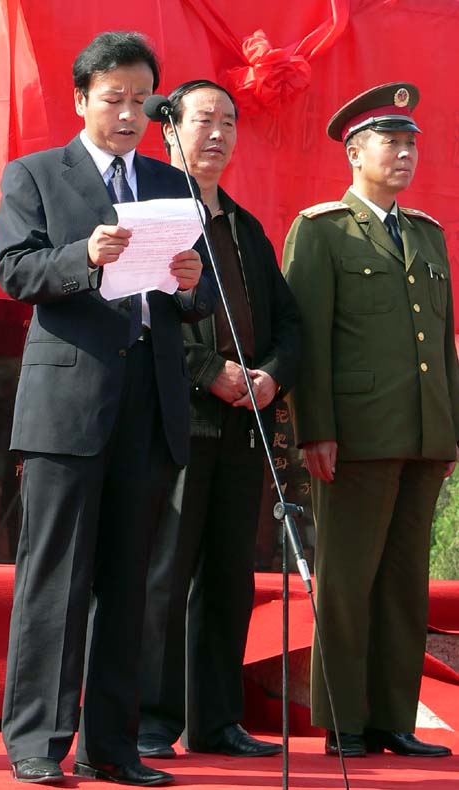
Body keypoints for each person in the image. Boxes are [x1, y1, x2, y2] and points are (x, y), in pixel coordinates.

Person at [0, 33, 218, 787]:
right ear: (81, 99)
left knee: (128, 583)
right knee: (55, 576)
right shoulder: (35, 174)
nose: (127, 114)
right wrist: (83, 256)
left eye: (140, 101)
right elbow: (12, 269)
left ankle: (112, 746)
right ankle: (37, 740)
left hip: (150, 401)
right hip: (69, 402)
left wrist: (190, 280)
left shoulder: (169, 181)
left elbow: (197, 300)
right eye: (113, 98)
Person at [282, 82, 458, 758]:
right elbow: (309, 337)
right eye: (391, 142)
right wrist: (314, 428)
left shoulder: (426, 234)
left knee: (405, 583)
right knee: (348, 580)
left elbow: (441, 343)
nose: (405, 153)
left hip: (423, 433)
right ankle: (345, 721)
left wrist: (450, 429)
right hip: (354, 435)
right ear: (355, 152)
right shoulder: (322, 229)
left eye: (412, 143)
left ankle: (392, 718)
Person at [138, 80, 300, 760]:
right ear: (170, 128)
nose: (218, 133)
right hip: (178, 419)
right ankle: (150, 718)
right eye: (204, 119)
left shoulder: (245, 226)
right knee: (165, 571)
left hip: (244, 424)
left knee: (230, 573)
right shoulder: (154, 214)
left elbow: (289, 323)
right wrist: (209, 370)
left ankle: (216, 719)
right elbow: (141, 314)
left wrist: (270, 376)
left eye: (229, 122)